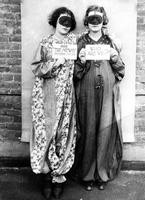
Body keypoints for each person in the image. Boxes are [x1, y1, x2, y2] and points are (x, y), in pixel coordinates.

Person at [73, 5, 125, 191]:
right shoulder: (80, 42)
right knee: (87, 131)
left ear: (104, 20)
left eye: (99, 18)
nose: (95, 22)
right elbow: (74, 75)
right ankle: (87, 175)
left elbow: (121, 71)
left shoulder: (111, 42)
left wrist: (114, 58)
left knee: (105, 131)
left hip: (107, 92)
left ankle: (102, 173)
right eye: (92, 18)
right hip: (86, 92)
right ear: (87, 21)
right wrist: (80, 60)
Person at [30, 7, 77, 199]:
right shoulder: (46, 43)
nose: (65, 26)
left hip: (66, 96)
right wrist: (54, 63)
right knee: (46, 134)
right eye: (62, 22)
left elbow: (94, 39)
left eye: (69, 23)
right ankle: (46, 176)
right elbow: (36, 68)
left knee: (63, 134)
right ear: (55, 22)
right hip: (46, 95)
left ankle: (59, 175)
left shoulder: (74, 42)